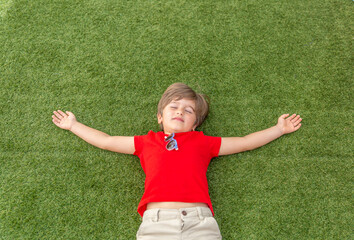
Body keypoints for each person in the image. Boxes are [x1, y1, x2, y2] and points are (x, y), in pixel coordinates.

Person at [52, 83, 302, 240]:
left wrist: (278, 129)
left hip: (200, 221)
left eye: (189, 110)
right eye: (174, 107)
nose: (180, 111)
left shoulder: (203, 142)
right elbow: (106, 140)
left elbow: (245, 141)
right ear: (160, 117)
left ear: (195, 124)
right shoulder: (146, 142)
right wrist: (73, 125)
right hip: (156, 222)